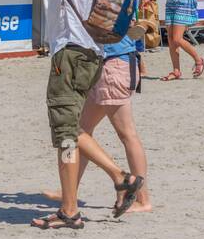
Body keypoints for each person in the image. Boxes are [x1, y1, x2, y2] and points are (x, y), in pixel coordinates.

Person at [27, 0, 142, 229]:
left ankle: (118, 178)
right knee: (72, 130)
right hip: (90, 52)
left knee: (67, 133)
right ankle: (71, 205)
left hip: (71, 54)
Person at [46, 26, 152, 215]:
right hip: (110, 63)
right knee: (79, 130)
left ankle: (142, 198)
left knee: (127, 134)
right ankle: (69, 190)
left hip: (113, 64)